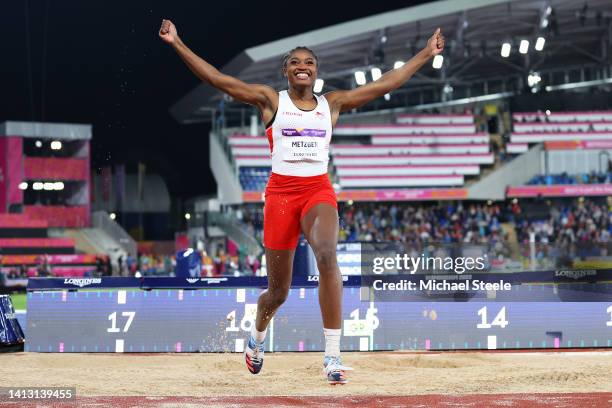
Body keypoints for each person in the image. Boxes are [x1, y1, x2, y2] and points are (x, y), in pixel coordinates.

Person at [159, 19, 444, 384]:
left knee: (326, 253)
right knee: (278, 293)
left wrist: (425, 52)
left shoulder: (333, 104)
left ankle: (332, 356)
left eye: (308, 62)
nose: (302, 66)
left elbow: (385, 83)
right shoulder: (270, 100)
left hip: (317, 191)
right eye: (295, 62)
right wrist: (178, 43)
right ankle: (257, 338)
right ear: (286, 71)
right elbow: (218, 79)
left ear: (316, 71)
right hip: (280, 197)